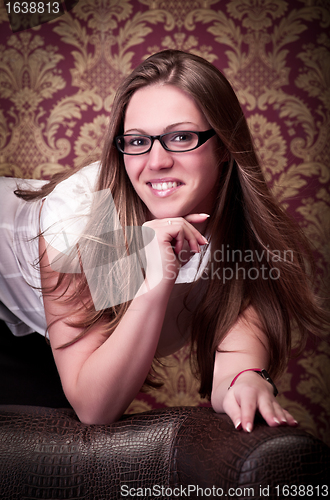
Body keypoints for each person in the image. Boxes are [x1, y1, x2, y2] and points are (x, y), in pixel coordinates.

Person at [0, 50, 328, 430]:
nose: (156, 162)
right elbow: (95, 408)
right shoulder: (88, 216)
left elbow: (234, 370)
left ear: (223, 145)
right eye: (137, 141)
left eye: (181, 136)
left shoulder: (244, 240)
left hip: (44, 328)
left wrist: (248, 381)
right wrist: (154, 279)